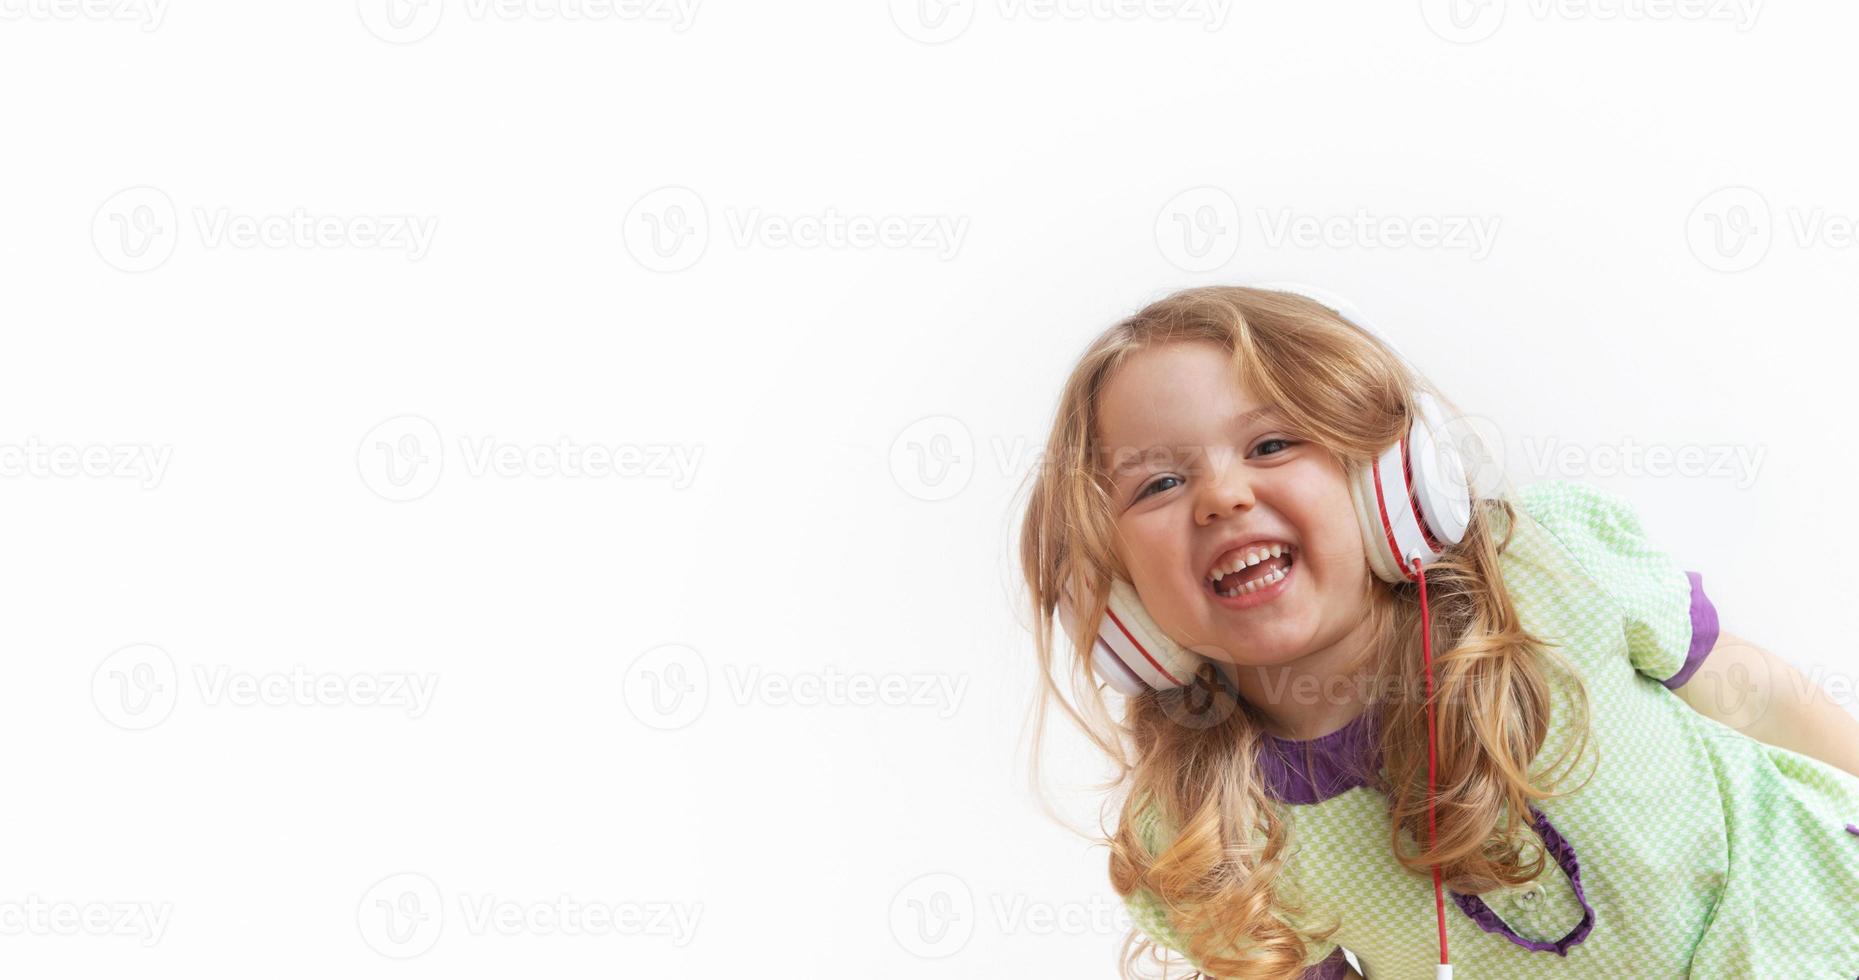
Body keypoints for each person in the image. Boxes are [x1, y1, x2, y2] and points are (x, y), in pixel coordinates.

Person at [1015, 285, 1859, 978]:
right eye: (1158, 482)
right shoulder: (1211, 821)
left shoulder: (1545, 566)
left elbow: (1753, 699)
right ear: (1118, 595)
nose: (1221, 496)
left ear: (1391, 482)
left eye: (1271, 443)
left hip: (1822, 923)